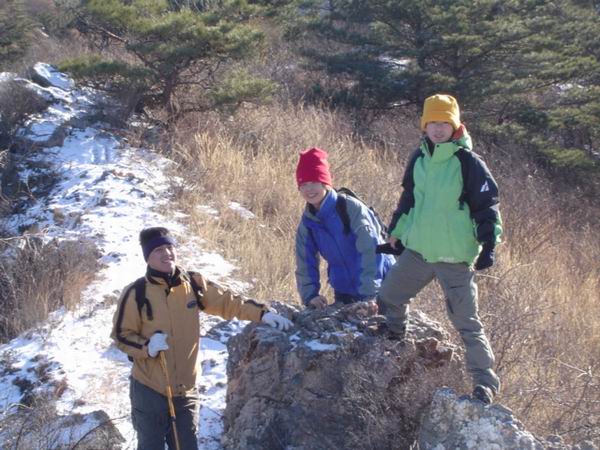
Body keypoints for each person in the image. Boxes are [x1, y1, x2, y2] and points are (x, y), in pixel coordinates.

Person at [111, 227, 292, 450]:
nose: (167, 253)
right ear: (147, 256)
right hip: (149, 389)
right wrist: (147, 347)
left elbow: (228, 302)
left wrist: (263, 314)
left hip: (185, 390)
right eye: (158, 250)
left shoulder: (193, 283)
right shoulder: (136, 292)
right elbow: (121, 335)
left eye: (169, 247)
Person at [379, 94, 503, 405]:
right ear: (424, 125)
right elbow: (409, 200)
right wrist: (397, 234)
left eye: (444, 122)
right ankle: (395, 336)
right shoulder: (419, 158)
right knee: (390, 295)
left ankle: (484, 383)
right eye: (432, 122)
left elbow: (487, 207)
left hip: (454, 257)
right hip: (419, 251)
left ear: (455, 125)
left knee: (466, 322)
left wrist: (488, 244)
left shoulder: (468, 162)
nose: (437, 128)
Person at [295, 147, 395, 312]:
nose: (309, 189)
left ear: (325, 183)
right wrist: (310, 295)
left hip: (382, 286)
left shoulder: (350, 208)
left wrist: (370, 294)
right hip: (344, 292)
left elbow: (370, 250)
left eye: (314, 182)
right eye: (303, 184)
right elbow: (305, 261)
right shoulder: (308, 222)